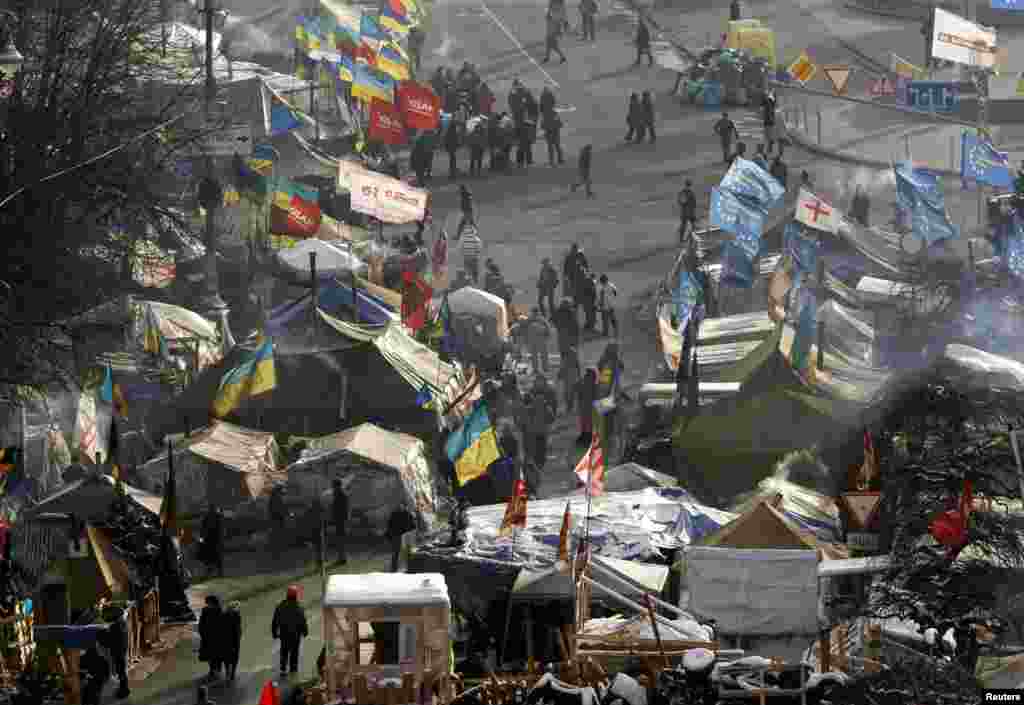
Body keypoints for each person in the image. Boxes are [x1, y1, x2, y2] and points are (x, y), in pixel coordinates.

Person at [520, 376, 558, 473]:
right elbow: (551, 417)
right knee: (541, 450)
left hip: (533, 432)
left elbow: (522, 420)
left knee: (535, 450)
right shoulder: (544, 403)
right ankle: (538, 466)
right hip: (541, 431)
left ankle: (536, 466)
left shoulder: (529, 405)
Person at [272, 586, 310, 678]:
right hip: (295, 637)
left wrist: (274, 633)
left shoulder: (280, 606)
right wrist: (305, 632)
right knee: (294, 655)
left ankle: (283, 670)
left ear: (287, 595)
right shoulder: (299, 608)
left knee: (284, 652)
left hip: (284, 635)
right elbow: (303, 621)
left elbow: (275, 621)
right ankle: (293, 671)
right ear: (296, 596)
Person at [198, 595, 224, 681]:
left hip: (212, 636)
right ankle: (214, 670)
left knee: (214, 654)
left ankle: (215, 670)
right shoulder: (217, 609)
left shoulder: (216, 610)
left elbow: (201, 623)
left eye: (208, 602)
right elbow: (201, 623)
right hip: (211, 636)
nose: (207, 603)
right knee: (212, 654)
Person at [386, 502, 417, 572]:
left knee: (407, 552)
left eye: (402, 506)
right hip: (397, 535)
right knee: (396, 552)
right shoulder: (396, 514)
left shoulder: (407, 514)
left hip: (404, 535)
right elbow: (390, 525)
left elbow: (412, 526)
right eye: (400, 506)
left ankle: (409, 567)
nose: (401, 507)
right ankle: (394, 568)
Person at [524, 307, 552, 374]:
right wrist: (547, 335)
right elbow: (548, 328)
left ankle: (538, 369)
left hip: (535, 339)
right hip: (539, 339)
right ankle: (544, 368)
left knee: (536, 355)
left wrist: (526, 339)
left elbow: (524, 329)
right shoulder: (541, 319)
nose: (535, 313)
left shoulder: (530, 320)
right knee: (542, 355)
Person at [199, 504, 224, 578]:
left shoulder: (210, 517)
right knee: (213, 557)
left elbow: (203, 529)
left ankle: (215, 572)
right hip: (212, 539)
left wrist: (202, 537)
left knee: (212, 557)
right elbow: (203, 528)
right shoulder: (215, 517)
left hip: (212, 539)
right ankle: (216, 572)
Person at [574, 368, 598, 445]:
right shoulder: (588, 385)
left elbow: (576, 389)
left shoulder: (588, 385)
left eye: (587, 375)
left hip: (588, 408)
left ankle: (587, 436)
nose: (586, 377)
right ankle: (585, 435)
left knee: (587, 423)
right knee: (585, 423)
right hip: (586, 407)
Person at [222, 601, 242, 682]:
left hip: (225, 639)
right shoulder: (237, 615)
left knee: (226, 656)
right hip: (235, 639)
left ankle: (227, 672)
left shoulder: (223, 615)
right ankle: (233, 673)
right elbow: (238, 629)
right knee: (235, 657)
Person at [557, 345, 581, 412]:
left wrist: (560, 373)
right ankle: (569, 406)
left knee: (570, 392)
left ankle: (570, 406)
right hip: (568, 376)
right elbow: (562, 367)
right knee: (568, 392)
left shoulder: (569, 358)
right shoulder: (566, 359)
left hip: (570, 376)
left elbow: (576, 366)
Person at [331, 478, 349, 564]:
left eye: (334, 486)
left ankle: (342, 558)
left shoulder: (340, 495)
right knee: (340, 539)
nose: (333, 488)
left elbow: (342, 509)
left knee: (340, 539)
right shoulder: (340, 494)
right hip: (340, 519)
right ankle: (341, 557)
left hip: (341, 520)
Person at [268, 485, 287, 557]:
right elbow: (279, 510)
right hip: (277, 520)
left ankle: (276, 553)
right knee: (277, 537)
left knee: (276, 537)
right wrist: (285, 513)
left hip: (275, 520)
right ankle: (276, 553)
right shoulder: (276, 499)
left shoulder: (274, 498)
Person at [678, 179, 698, 244]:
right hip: (687, 212)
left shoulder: (685, 192)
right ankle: (683, 239)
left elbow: (681, 201)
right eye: (688, 185)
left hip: (687, 212)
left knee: (690, 226)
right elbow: (682, 201)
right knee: (685, 226)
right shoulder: (686, 193)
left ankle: (690, 238)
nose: (688, 187)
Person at [310, 493, 326, 564]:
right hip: (319, 528)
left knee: (317, 545)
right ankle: (321, 559)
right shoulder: (320, 508)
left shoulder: (311, 509)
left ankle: (318, 559)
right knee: (320, 545)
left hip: (315, 528)